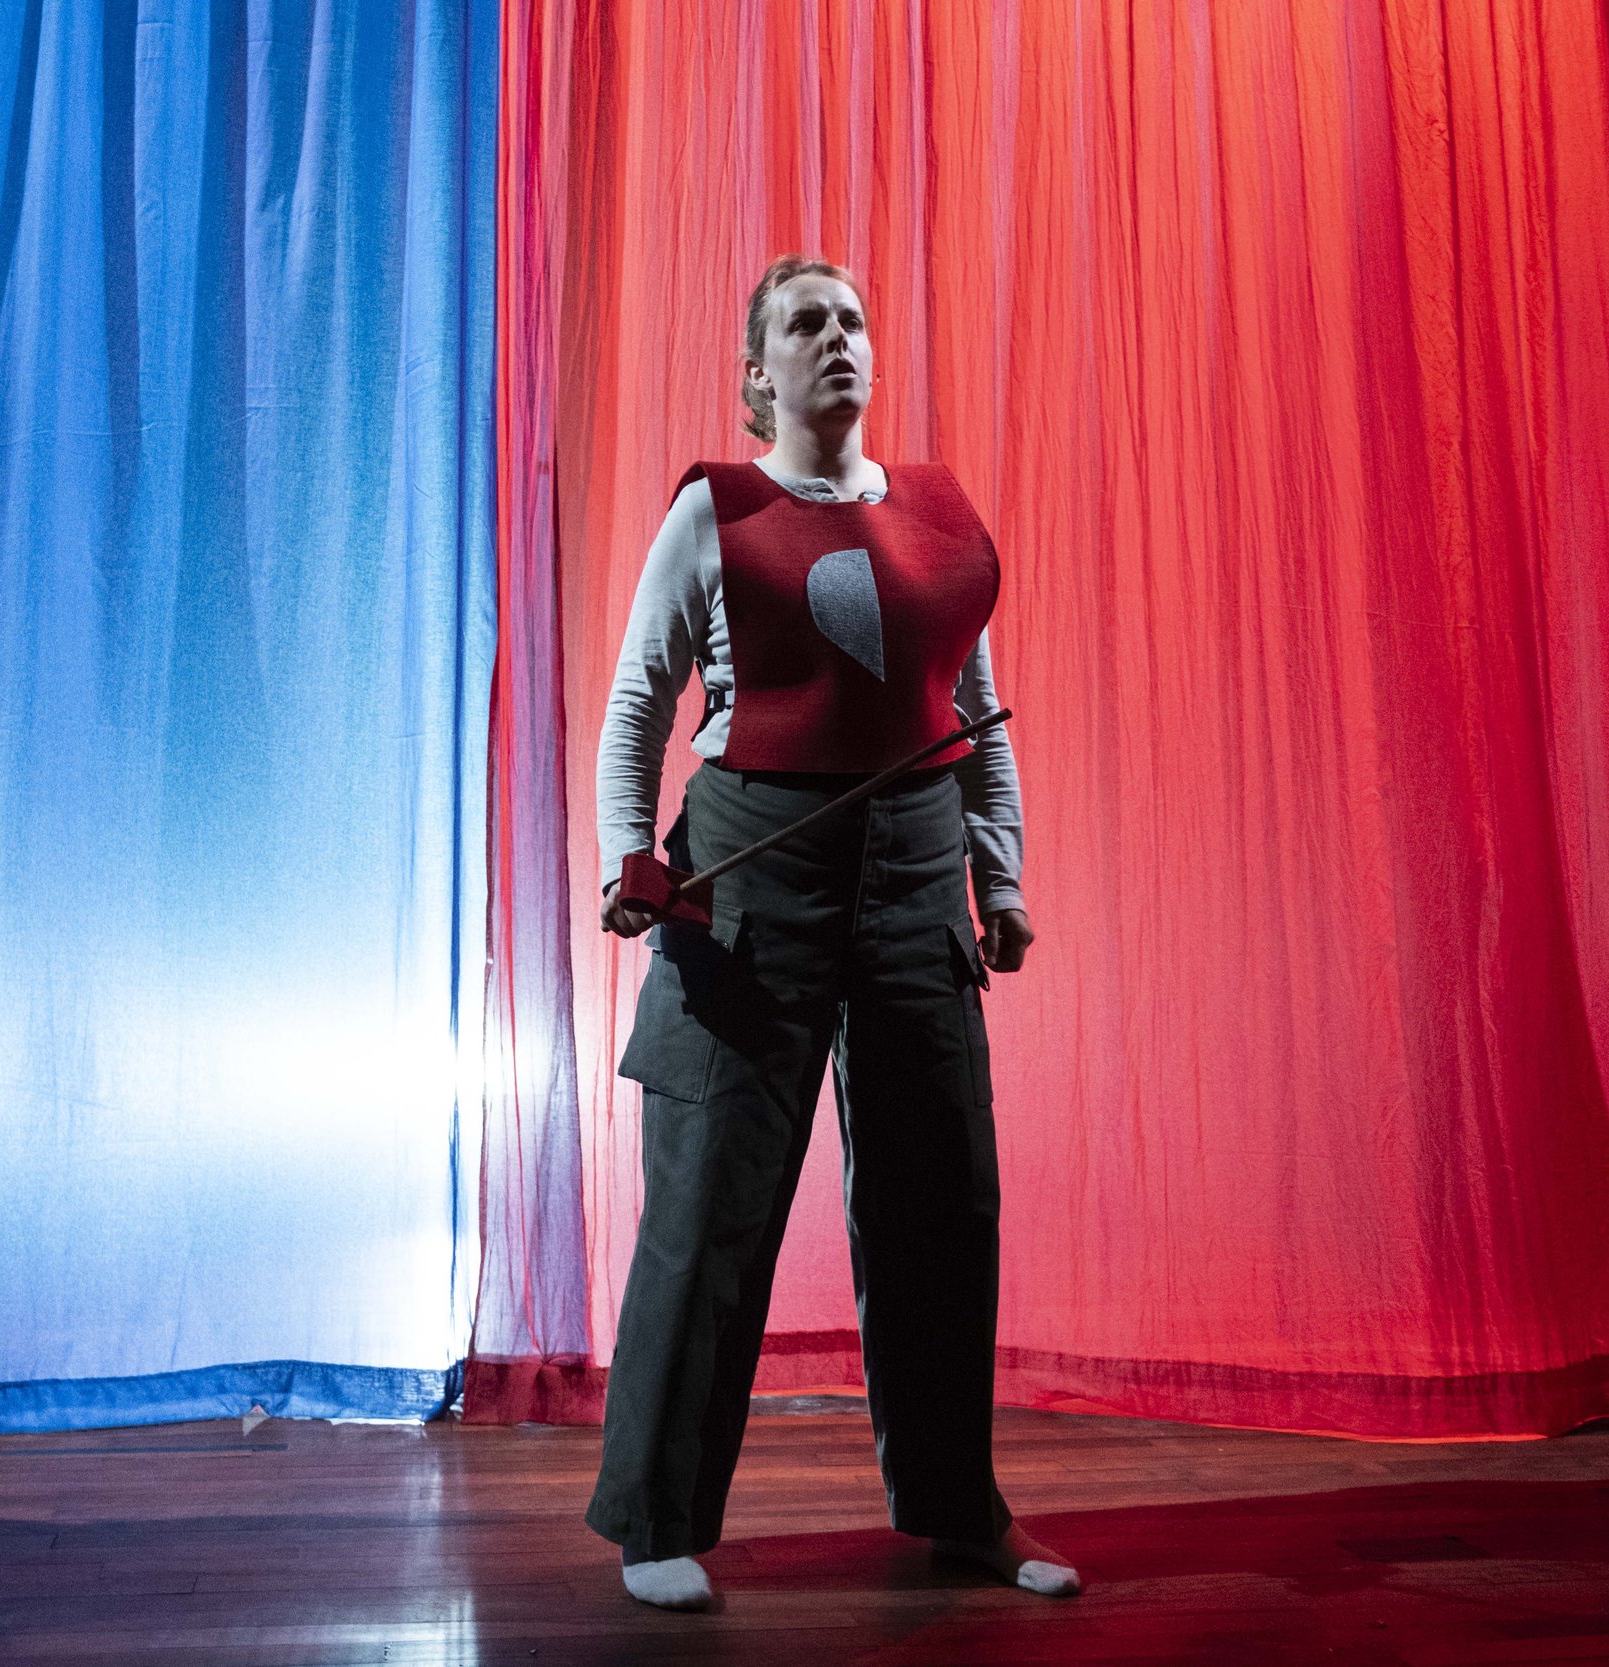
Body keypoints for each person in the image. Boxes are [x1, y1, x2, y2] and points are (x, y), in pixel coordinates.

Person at [585, 254, 1081, 1611]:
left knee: (942, 1201)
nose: (838, 339)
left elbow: (971, 717)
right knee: (711, 1199)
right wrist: (631, 856)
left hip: (917, 880)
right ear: (759, 376)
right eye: (806, 324)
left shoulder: (938, 518)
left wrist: (1005, 884)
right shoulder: (718, 508)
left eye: (853, 319)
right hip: (752, 878)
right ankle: (656, 1521)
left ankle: (956, 1507)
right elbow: (639, 703)